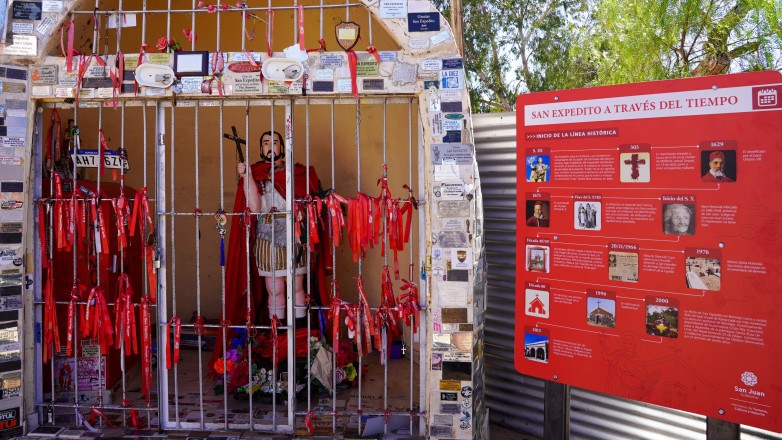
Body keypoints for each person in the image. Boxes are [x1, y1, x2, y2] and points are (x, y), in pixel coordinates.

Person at [212, 130, 329, 371]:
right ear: (260, 148)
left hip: (294, 237)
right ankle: (279, 336)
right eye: (265, 143)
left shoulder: (299, 173)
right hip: (267, 237)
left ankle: (298, 336)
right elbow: (254, 208)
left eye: (274, 142)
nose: (270, 146)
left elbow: (310, 205)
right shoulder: (257, 173)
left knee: (296, 287)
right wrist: (246, 177)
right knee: (274, 289)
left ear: (282, 147)